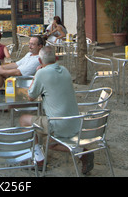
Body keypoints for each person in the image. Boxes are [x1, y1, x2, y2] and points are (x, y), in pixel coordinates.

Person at [19, 46, 92, 174]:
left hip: (58, 123)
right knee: (50, 142)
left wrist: (37, 74)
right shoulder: (65, 70)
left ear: (40, 62)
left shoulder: (41, 73)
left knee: (24, 119)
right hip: (75, 121)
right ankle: (82, 153)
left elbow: (30, 96)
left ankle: (39, 159)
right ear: (56, 58)